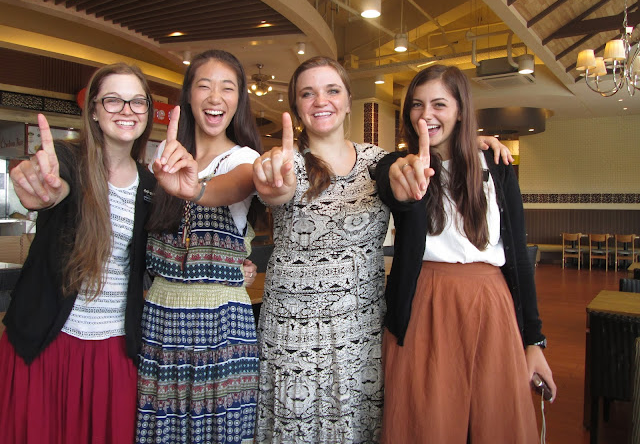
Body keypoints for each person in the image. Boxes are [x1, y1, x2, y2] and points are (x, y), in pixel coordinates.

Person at [252, 56, 513, 443]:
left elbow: (406, 171)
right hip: (295, 333)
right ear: (296, 106)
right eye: (307, 93)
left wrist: (470, 141)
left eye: (332, 90)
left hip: (363, 331)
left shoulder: (378, 161)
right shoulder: (284, 164)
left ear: (348, 100)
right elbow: (275, 191)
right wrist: (273, 186)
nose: (321, 100)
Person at [375, 64, 556, 443]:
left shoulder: (497, 167)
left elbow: (518, 261)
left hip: (492, 304)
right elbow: (387, 175)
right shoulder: (404, 168)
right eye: (417, 105)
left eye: (439, 104)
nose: (425, 115)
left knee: (495, 420)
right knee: (428, 423)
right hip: (424, 305)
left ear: (460, 111)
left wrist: (534, 340)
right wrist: (400, 168)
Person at [0, 63, 156, 443]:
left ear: (147, 112)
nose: (127, 110)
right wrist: (43, 192)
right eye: (113, 100)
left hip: (115, 348)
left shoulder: (150, 184)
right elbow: (55, 185)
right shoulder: (68, 160)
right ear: (94, 111)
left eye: (137, 101)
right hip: (48, 342)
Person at [136, 49, 263, 444]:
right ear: (188, 95)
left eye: (227, 88)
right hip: (161, 311)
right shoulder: (165, 153)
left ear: (239, 99)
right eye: (204, 86)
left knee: (218, 428)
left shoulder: (245, 160)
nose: (215, 97)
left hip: (221, 317)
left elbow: (236, 185)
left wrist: (195, 188)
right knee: (164, 425)